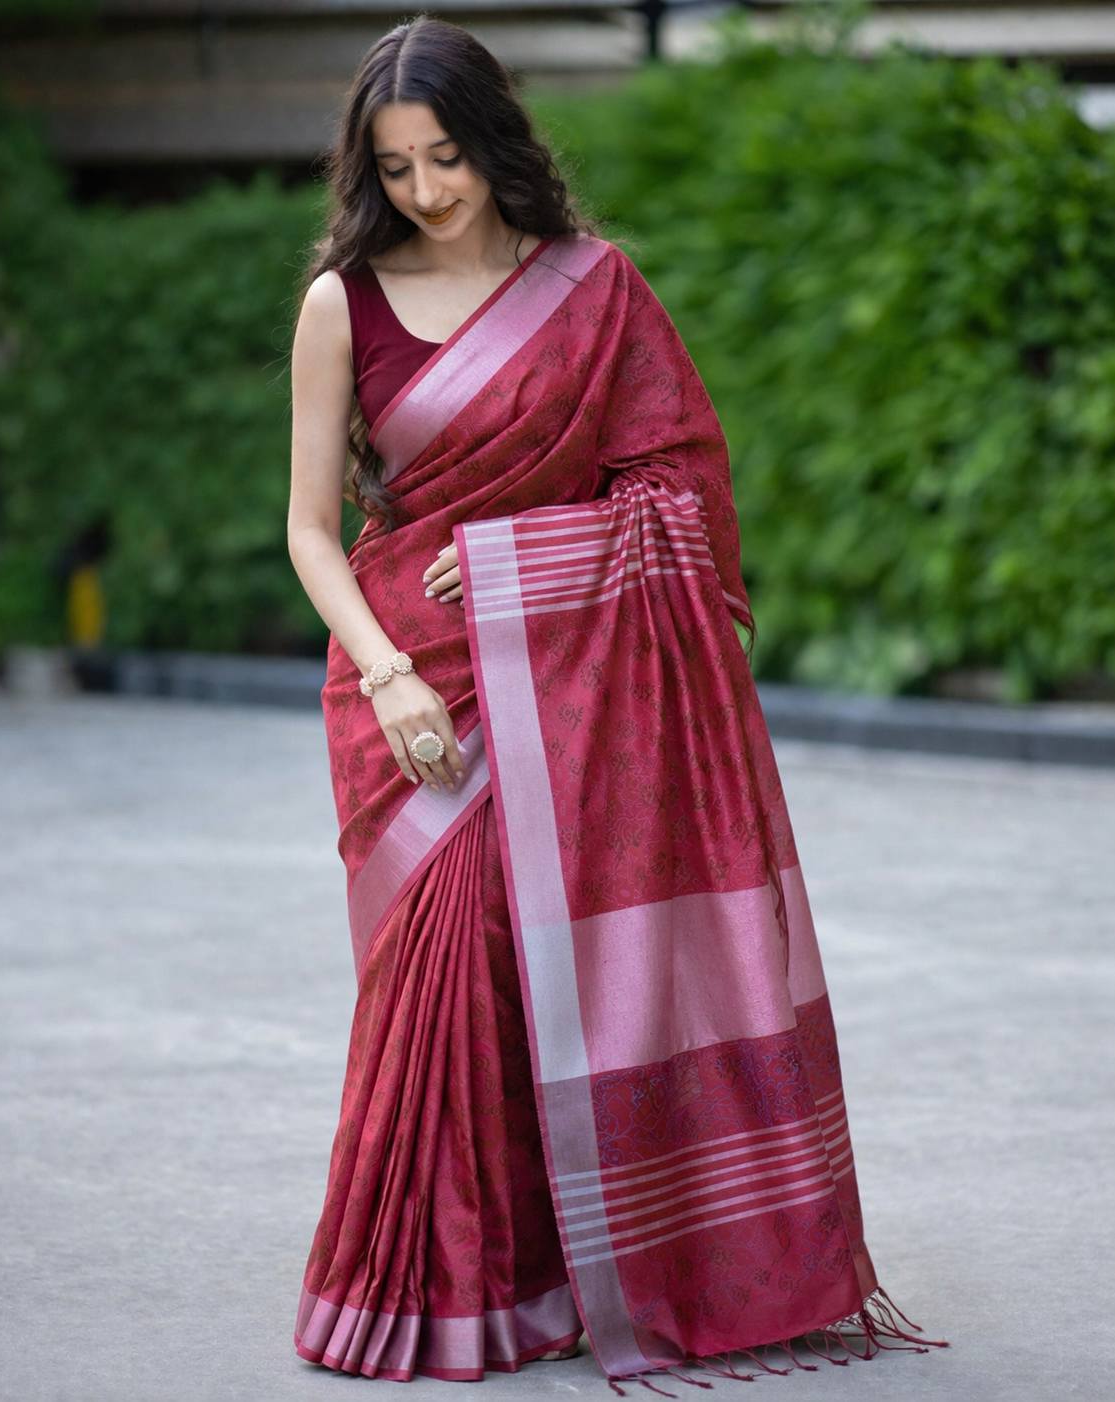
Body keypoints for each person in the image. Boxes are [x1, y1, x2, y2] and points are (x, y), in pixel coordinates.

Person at [287, 15, 939, 1385]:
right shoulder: (343, 299)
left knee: (574, 972)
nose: (425, 192)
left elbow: (679, 497)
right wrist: (393, 669)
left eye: (447, 157)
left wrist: (531, 560)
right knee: (451, 966)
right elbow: (305, 531)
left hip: (577, 669)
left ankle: (607, 1261)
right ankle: (451, 1287)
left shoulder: (593, 289)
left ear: (497, 141)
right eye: (396, 167)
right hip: (408, 673)